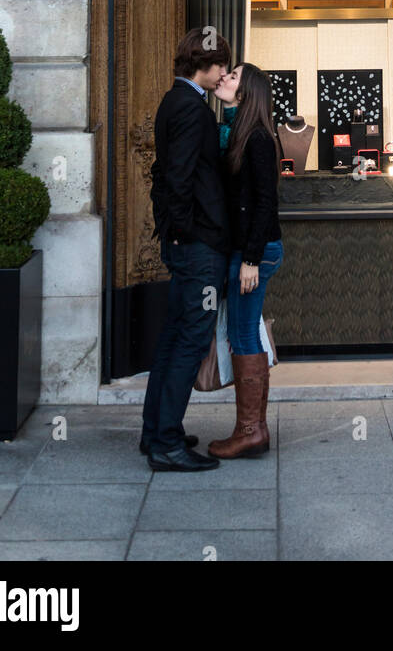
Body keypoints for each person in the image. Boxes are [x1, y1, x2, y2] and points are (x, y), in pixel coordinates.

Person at [140, 28, 232, 472]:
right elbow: (176, 178)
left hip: (184, 243)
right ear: (206, 65)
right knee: (189, 342)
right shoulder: (193, 109)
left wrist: (173, 232)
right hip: (197, 247)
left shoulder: (172, 100)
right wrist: (186, 233)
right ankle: (168, 444)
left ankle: (155, 432)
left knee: (174, 337)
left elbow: (165, 175)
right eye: (221, 67)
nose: (224, 76)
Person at [207, 63, 283, 459]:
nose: (223, 79)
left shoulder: (257, 137)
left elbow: (266, 203)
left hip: (256, 251)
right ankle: (255, 429)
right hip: (247, 249)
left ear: (247, 92)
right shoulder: (237, 133)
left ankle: (250, 431)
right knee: (245, 332)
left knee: (242, 335)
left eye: (232, 77)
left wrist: (250, 259)